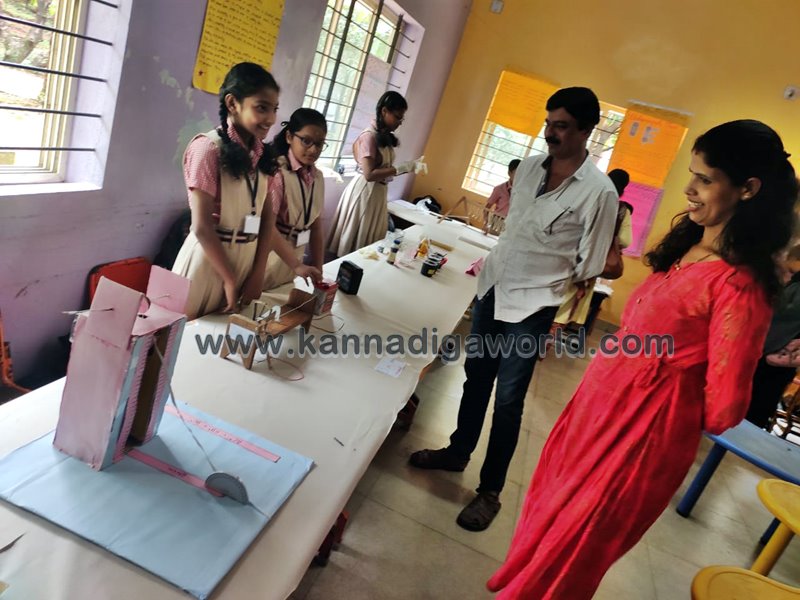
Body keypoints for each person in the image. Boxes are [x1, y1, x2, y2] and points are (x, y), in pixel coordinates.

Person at [487, 120, 798, 600]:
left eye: (705, 179)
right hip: (597, 408)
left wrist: (664, 385)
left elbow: (725, 406)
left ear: (748, 189)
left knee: (576, 544)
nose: (689, 189)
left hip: (641, 433)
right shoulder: (691, 247)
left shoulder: (740, 284)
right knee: (551, 511)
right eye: (692, 174)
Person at [409, 87, 619, 532]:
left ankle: (490, 491)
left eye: (561, 126)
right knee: (475, 380)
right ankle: (457, 452)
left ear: (587, 130)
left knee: (508, 400)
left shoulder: (599, 193)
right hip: (493, 289)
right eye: (548, 123)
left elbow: (592, 262)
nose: (550, 134)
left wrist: (550, 274)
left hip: (534, 306)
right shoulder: (528, 168)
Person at [172, 63, 319, 319]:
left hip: (244, 261)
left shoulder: (263, 156)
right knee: (187, 332)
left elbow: (267, 220)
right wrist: (229, 278)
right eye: (261, 108)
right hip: (208, 262)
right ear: (232, 103)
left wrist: (259, 271)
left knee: (224, 336)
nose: (271, 119)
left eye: (274, 109)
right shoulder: (208, 149)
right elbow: (202, 227)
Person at [326, 91, 425, 257]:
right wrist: (402, 168)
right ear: (384, 111)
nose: (399, 123)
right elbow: (369, 174)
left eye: (401, 119)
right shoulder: (369, 137)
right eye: (397, 117)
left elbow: (383, 169)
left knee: (369, 240)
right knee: (355, 242)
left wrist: (409, 167)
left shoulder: (384, 136)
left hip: (378, 192)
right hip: (365, 191)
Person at [263, 108, 327, 290]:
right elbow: (267, 227)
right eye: (306, 141)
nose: (313, 149)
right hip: (270, 254)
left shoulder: (317, 177)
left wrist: (319, 267)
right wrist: (296, 265)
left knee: (283, 297)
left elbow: (316, 227)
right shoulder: (278, 172)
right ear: (289, 137)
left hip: (296, 255)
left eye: (319, 144)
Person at [746, 245, 800, 428]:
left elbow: (779, 321)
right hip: (776, 364)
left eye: (791, 272)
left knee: (750, 414)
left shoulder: (795, 288)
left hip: (767, 360)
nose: (787, 276)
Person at [484, 159, 520, 233]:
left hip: (512, 224)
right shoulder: (499, 189)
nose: (520, 177)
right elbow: (486, 208)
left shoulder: (523, 191)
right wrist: (486, 223)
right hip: (497, 222)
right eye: (517, 173)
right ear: (509, 173)